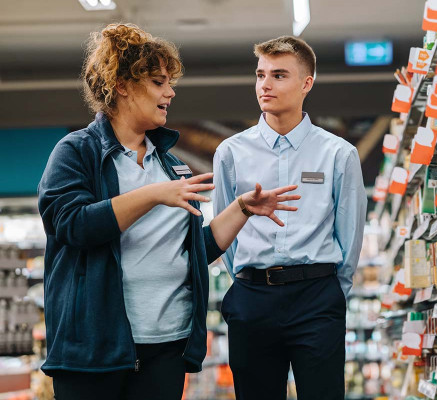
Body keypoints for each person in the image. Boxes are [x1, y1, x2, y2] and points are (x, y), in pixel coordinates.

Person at [37, 23, 300, 400]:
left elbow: (193, 252)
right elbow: (71, 224)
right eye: (159, 82)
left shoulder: (172, 166)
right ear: (123, 85)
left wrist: (243, 208)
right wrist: (152, 195)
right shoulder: (77, 152)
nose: (170, 92)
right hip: (95, 349)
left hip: (167, 346)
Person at [213, 35, 368, 400]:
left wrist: (331, 293)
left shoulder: (338, 154)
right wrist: (248, 278)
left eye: (279, 75)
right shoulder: (230, 153)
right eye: (260, 74)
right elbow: (224, 232)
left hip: (317, 298)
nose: (265, 85)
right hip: (252, 298)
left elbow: (350, 235)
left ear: (306, 84)